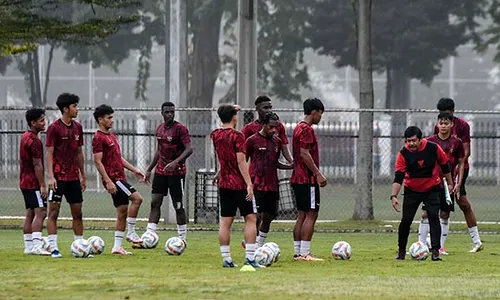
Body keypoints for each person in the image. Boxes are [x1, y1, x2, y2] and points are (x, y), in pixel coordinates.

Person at [211, 104, 262, 269]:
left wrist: (220, 173)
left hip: (224, 184)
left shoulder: (215, 135)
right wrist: (249, 184)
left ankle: (227, 259)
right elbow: (240, 161)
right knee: (251, 218)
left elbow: (224, 157)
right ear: (234, 117)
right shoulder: (238, 136)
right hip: (239, 184)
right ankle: (250, 258)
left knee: (226, 222)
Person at [391, 126, 454, 261]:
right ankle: (401, 252)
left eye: (414, 140)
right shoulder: (403, 154)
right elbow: (398, 176)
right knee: (406, 220)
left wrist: (449, 183)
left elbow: (444, 165)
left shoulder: (433, 148)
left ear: (420, 139)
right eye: (408, 141)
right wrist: (394, 196)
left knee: (433, 217)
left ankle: (436, 251)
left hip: (432, 188)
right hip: (411, 190)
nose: (411, 144)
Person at [92, 105, 147, 255]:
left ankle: (117, 247)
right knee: (137, 199)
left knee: (122, 211)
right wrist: (108, 181)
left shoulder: (111, 135)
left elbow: (118, 158)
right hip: (114, 179)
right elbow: (98, 161)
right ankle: (131, 232)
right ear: (100, 119)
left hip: (119, 177)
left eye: (112, 117)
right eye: (109, 118)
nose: (112, 120)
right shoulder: (98, 137)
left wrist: (134, 170)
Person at [433, 98, 483, 252]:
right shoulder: (439, 125)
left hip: (459, 169)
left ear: (453, 112)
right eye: (441, 114)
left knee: (461, 202)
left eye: (447, 114)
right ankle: (439, 245)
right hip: (444, 171)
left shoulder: (462, 126)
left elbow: (466, 150)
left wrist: (455, 170)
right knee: (447, 207)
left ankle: (476, 241)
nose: (444, 119)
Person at [143, 102, 193, 245]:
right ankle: (149, 235)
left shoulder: (180, 129)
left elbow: (189, 149)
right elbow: (159, 151)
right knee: (155, 202)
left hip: (177, 173)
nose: (170, 114)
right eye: (167, 112)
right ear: (162, 113)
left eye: (172, 112)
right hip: (160, 172)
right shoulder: (159, 129)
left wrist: (175, 162)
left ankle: (182, 238)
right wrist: (149, 169)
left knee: (178, 205)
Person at [46, 93, 86, 258]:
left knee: (77, 213)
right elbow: (49, 153)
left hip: (73, 178)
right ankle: (54, 248)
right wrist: (50, 176)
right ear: (65, 109)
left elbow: (79, 153)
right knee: (53, 213)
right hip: (58, 178)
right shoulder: (54, 128)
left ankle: (80, 246)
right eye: (74, 106)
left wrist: (83, 175)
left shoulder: (78, 127)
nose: (77, 109)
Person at [419, 113, 465, 255]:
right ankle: (421, 245)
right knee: (426, 213)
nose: (444, 126)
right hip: (432, 183)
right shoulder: (430, 142)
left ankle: (440, 247)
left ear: (452, 125)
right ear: (437, 124)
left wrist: (458, 182)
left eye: (447, 123)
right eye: (441, 123)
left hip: (448, 184)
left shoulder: (456, 143)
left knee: (445, 214)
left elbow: (461, 163)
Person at [245, 112, 292, 247]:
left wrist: (290, 166)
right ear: (264, 125)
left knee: (269, 216)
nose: (274, 130)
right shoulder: (252, 141)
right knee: (257, 216)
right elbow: (243, 160)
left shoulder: (277, 142)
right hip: (257, 185)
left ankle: (259, 244)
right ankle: (251, 245)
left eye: (276, 127)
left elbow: (275, 162)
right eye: (271, 127)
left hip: (272, 185)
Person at [291, 98, 327, 261]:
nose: (321, 117)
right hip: (307, 179)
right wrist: (317, 173)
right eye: (320, 113)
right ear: (314, 112)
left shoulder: (298, 127)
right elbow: (305, 153)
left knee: (302, 215)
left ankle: (298, 252)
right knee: (311, 214)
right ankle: (305, 253)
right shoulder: (307, 130)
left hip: (297, 179)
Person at [20, 108, 50, 255]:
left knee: (30, 213)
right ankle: (37, 247)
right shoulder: (34, 141)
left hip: (24, 181)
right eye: (42, 120)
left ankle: (29, 247)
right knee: (41, 212)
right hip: (33, 183)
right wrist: (42, 185)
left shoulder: (25, 136)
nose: (45, 123)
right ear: (33, 123)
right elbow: (37, 165)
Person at [241, 96, 293, 164]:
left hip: (271, 169)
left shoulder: (278, 125)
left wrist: (292, 162)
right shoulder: (249, 128)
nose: (269, 110)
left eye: (270, 107)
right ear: (257, 109)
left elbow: (284, 147)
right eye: (265, 108)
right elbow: (242, 150)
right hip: (256, 170)